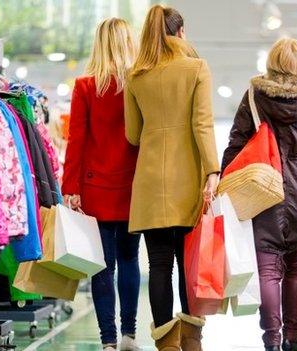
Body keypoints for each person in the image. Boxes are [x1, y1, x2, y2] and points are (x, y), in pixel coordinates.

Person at [222, 38, 297, 351]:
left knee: (268, 269)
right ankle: (293, 340)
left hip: (264, 187)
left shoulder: (256, 95)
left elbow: (236, 141)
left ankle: (272, 340)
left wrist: (224, 180)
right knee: (296, 267)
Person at [125, 4, 220, 351]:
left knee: (160, 265)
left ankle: (166, 346)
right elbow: (202, 125)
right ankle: (192, 342)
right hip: (188, 182)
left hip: (150, 182)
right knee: (188, 265)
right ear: (181, 32)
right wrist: (212, 171)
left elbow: (133, 134)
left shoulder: (136, 75)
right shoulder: (196, 68)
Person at [62, 18, 141, 351]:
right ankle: (129, 334)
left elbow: (76, 140)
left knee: (101, 267)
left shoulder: (85, 86)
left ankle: (108, 339)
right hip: (134, 188)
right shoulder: (140, 84)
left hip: (95, 189)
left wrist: (70, 188)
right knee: (130, 261)